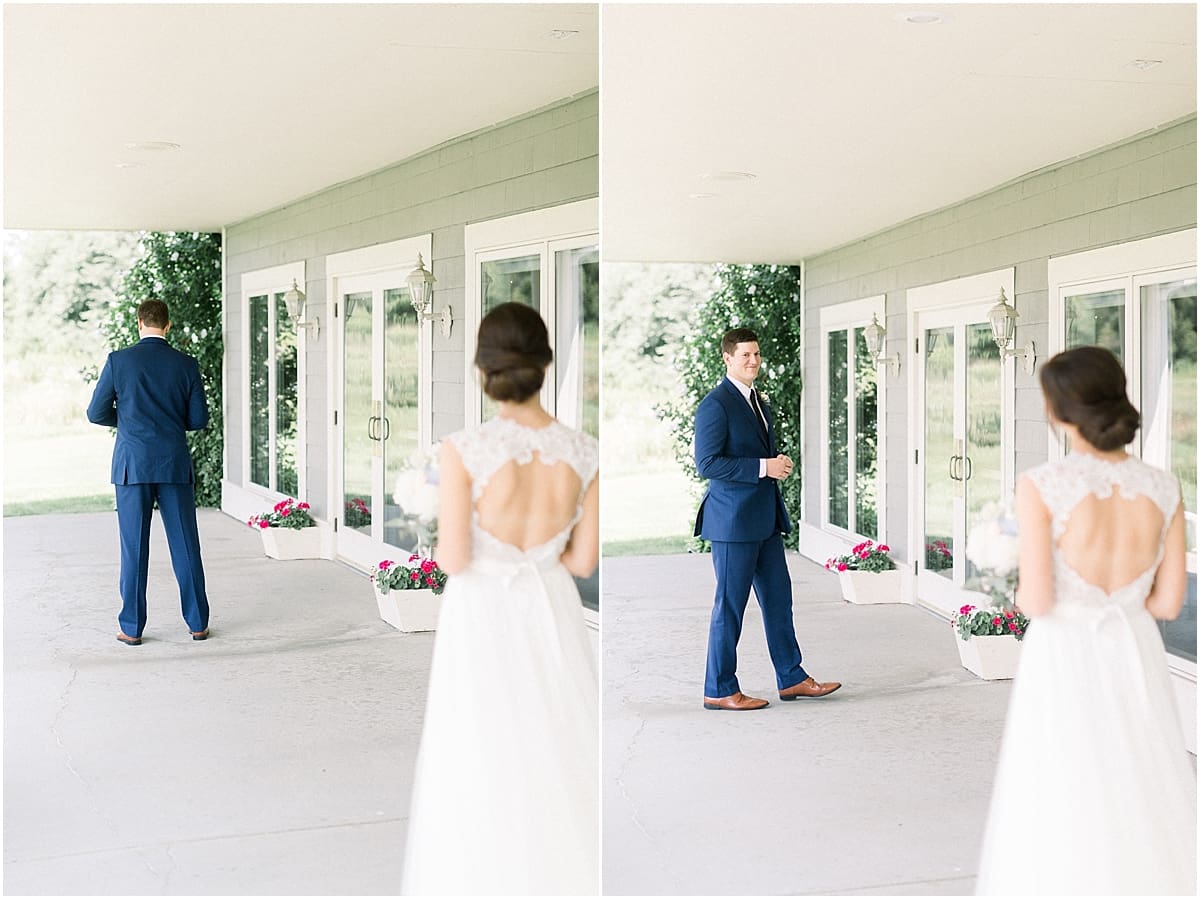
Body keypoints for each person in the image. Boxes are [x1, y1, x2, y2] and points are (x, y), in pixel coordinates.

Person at [976, 346, 1196, 895]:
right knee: (1141, 778)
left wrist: (1000, 568)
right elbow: (1169, 603)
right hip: (1135, 650)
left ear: (1058, 411)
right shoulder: (1165, 486)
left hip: (1064, 653)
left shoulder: (1042, 484)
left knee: (1060, 782)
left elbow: (1038, 600)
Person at [400, 302, 599, 895]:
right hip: (551, 606)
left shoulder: (465, 448)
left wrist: (431, 520)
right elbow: (583, 561)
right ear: (544, 364)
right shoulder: (584, 450)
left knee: (478, 747)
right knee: (555, 739)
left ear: (482, 369)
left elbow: (455, 559)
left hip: (482, 612)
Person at [694, 327, 840, 710]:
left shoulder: (758, 399)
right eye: (745, 355)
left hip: (765, 522)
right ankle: (720, 688)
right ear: (727, 358)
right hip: (733, 525)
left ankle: (791, 678)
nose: (754, 361)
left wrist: (776, 465)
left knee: (779, 600)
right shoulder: (716, 404)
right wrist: (764, 467)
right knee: (730, 607)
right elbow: (707, 463)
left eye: (757, 354)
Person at [86, 299, 212, 646]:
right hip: (172, 462)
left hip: (132, 466)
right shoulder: (186, 364)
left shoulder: (119, 361)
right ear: (168, 325)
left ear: (139, 322)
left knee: (134, 548)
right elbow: (198, 420)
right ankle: (198, 623)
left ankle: (131, 627)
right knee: (186, 545)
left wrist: (127, 419)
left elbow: (95, 412)